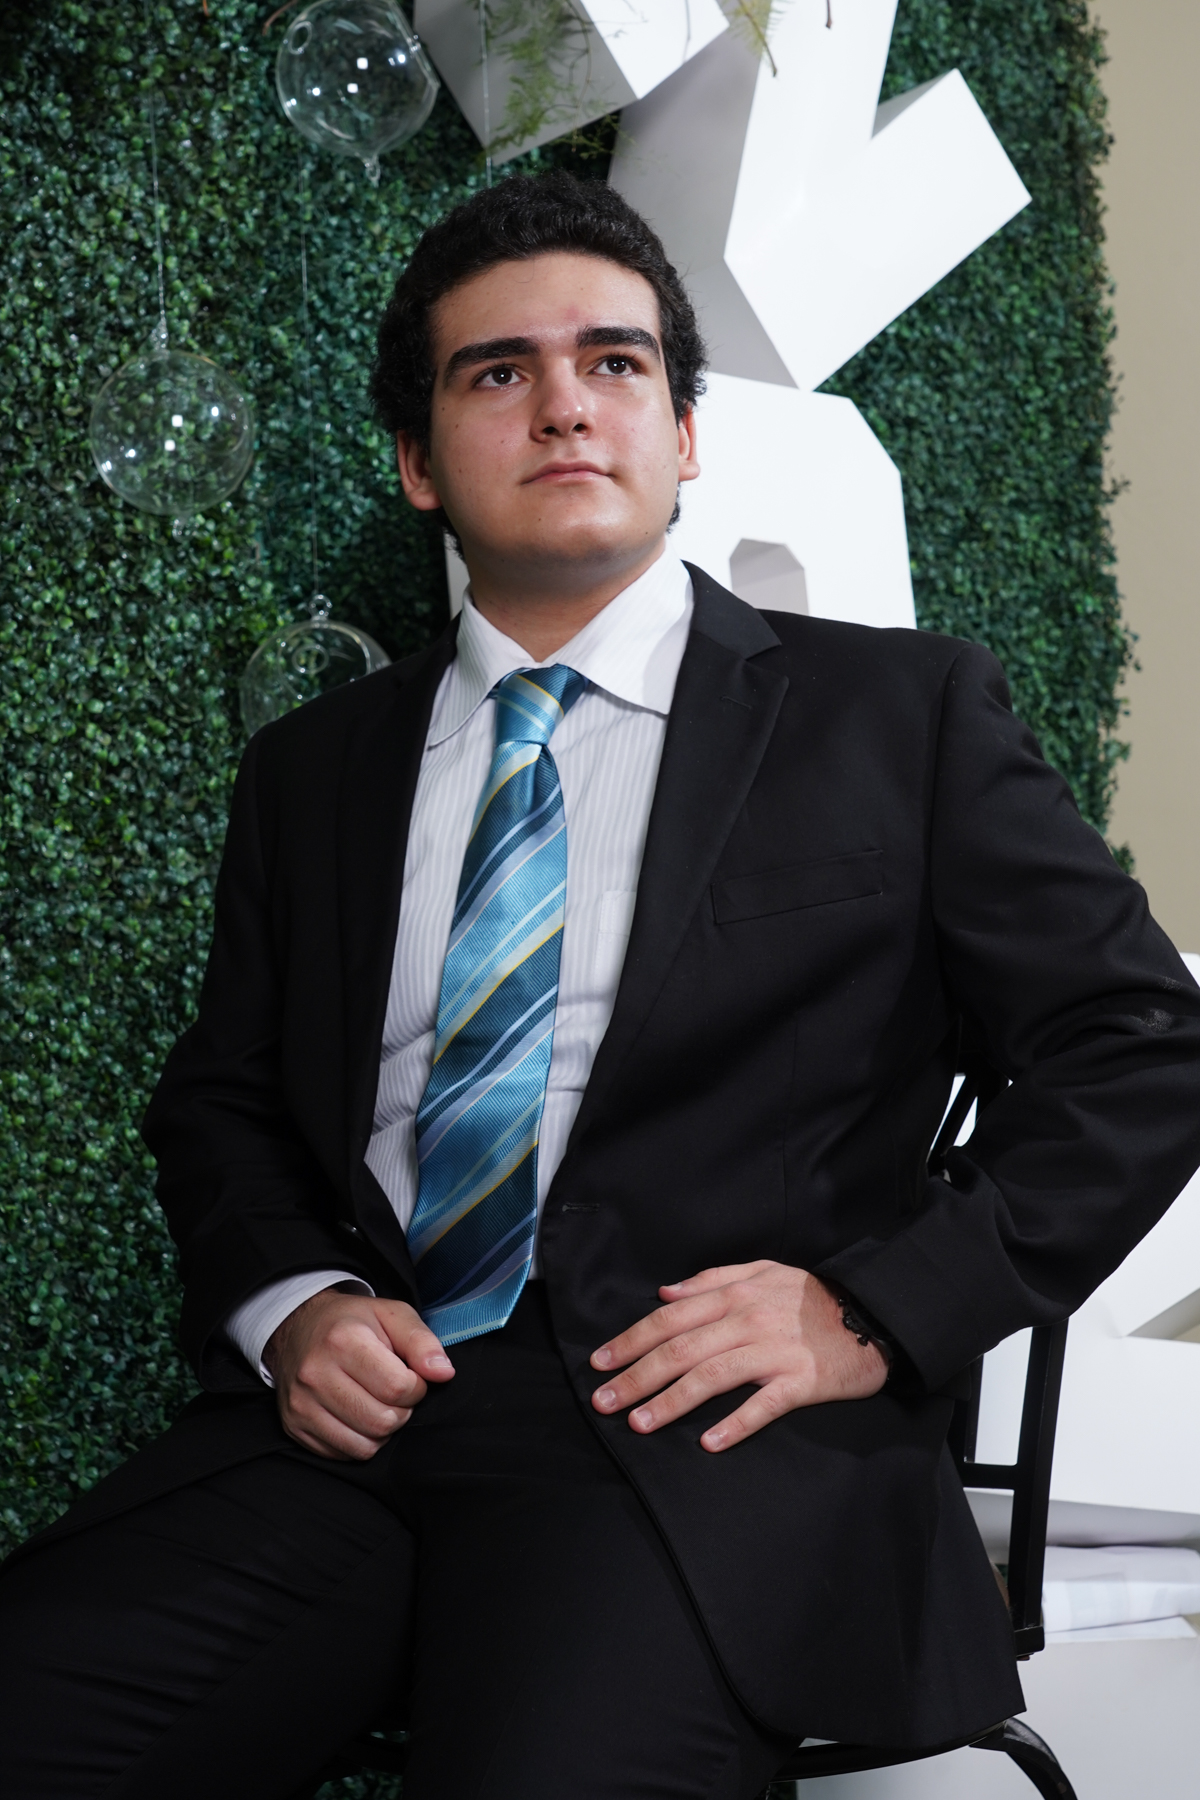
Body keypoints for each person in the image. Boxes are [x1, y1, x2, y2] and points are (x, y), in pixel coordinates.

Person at [3, 171, 1200, 1800]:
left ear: (684, 435)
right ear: (420, 463)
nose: (565, 403)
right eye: (499, 370)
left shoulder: (897, 715)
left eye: (615, 363)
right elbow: (224, 1099)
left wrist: (872, 1309)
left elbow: (1143, 1046)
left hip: (698, 1450)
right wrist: (293, 1308)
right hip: (354, 1428)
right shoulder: (313, 772)